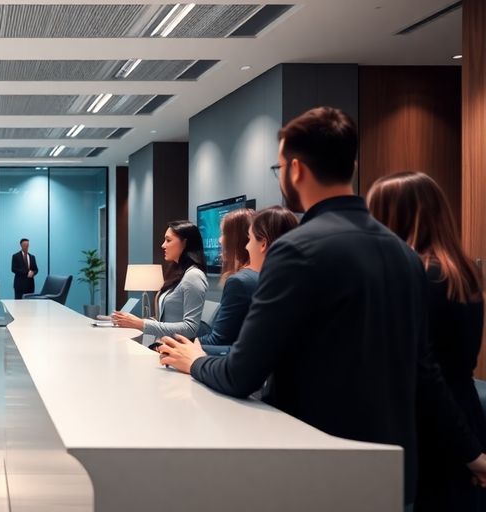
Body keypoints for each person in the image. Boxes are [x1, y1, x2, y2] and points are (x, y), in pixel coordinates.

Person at [156, 107, 486, 504]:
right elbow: (423, 370)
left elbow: (242, 372)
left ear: (296, 170)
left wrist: (194, 360)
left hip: (320, 461)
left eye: (279, 169)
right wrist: (470, 452)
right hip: (392, 468)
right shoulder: (402, 253)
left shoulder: (296, 250)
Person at [368, 172, 486, 511]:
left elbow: (423, 373)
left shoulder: (416, 277)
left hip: (430, 430)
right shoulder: (460, 275)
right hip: (461, 418)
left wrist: (469, 452)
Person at [197, 207, 298, 355]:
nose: (220, 240)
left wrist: (186, 347)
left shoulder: (241, 282)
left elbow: (226, 343)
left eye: (224, 233)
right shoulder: (288, 284)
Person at [111, 220, 208, 341]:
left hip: (177, 352)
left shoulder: (193, 276)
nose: (163, 245)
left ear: (185, 243)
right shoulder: (178, 273)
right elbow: (166, 319)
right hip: (163, 346)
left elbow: (190, 328)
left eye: (168, 240)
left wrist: (142, 324)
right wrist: (131, 321)